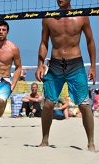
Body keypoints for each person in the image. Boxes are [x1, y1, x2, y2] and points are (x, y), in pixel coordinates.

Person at [35, 0, 96, 151]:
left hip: (75, 64)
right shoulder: (48, 18)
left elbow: (90, 41)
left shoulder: (81, 17)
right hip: (55, 64)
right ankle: (45, 140)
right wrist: (39, 64)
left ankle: (91, 143)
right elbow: (44, 43)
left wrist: (93, 67)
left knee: (84, 104)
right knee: (48, 104)